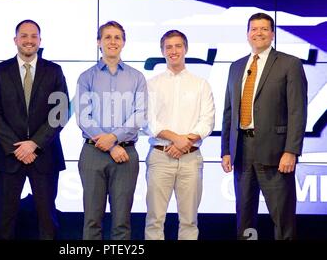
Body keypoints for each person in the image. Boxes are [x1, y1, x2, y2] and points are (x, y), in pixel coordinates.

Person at [221, 12, 307, 240]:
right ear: (247, 34)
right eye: (254, 29)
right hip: (242, 153)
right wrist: (226, 150)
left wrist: (291, 151)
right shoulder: (236, 67)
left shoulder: (290, 63)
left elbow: (298, 111)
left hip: (277, 153)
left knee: (282, 218)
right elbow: (229, 111)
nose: (258, 33)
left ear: (272, 34)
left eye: (264, 29)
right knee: (245, 218)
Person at [0, 19, 69, 240]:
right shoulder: (0, 70)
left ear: (40, 40)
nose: (29, 40)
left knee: (47, 220)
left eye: (34, 36)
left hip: (45, 155)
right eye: (24, 36)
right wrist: (18, 147)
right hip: (8, 156)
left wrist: (34, 144)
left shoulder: (54, 71)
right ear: (15, 40)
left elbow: (60, 113)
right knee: (4, 220)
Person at [75, 21, 147, 240]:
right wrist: (110, 145)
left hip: (126, 155)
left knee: (122, 222)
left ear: (123, 42)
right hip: (92, 154)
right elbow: (83, 117)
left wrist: (114, 140)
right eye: (107, 37)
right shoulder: (86, 77)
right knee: (92, 220)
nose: (112, 41)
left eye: (117, 37)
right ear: (99, 42)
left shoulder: (136, 77)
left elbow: (140, 115)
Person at [145, 30, 215, 240]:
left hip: (191, 159)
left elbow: (207, 121)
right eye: (168, 47)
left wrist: (185, 143)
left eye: (177, 46)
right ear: (162, 51)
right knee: (154, 220)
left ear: (185, 49)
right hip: (160, 157)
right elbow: (149, 122)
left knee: (189, 220)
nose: (173, 51)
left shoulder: (201, 84)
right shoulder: (151, 84)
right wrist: (177, 139)